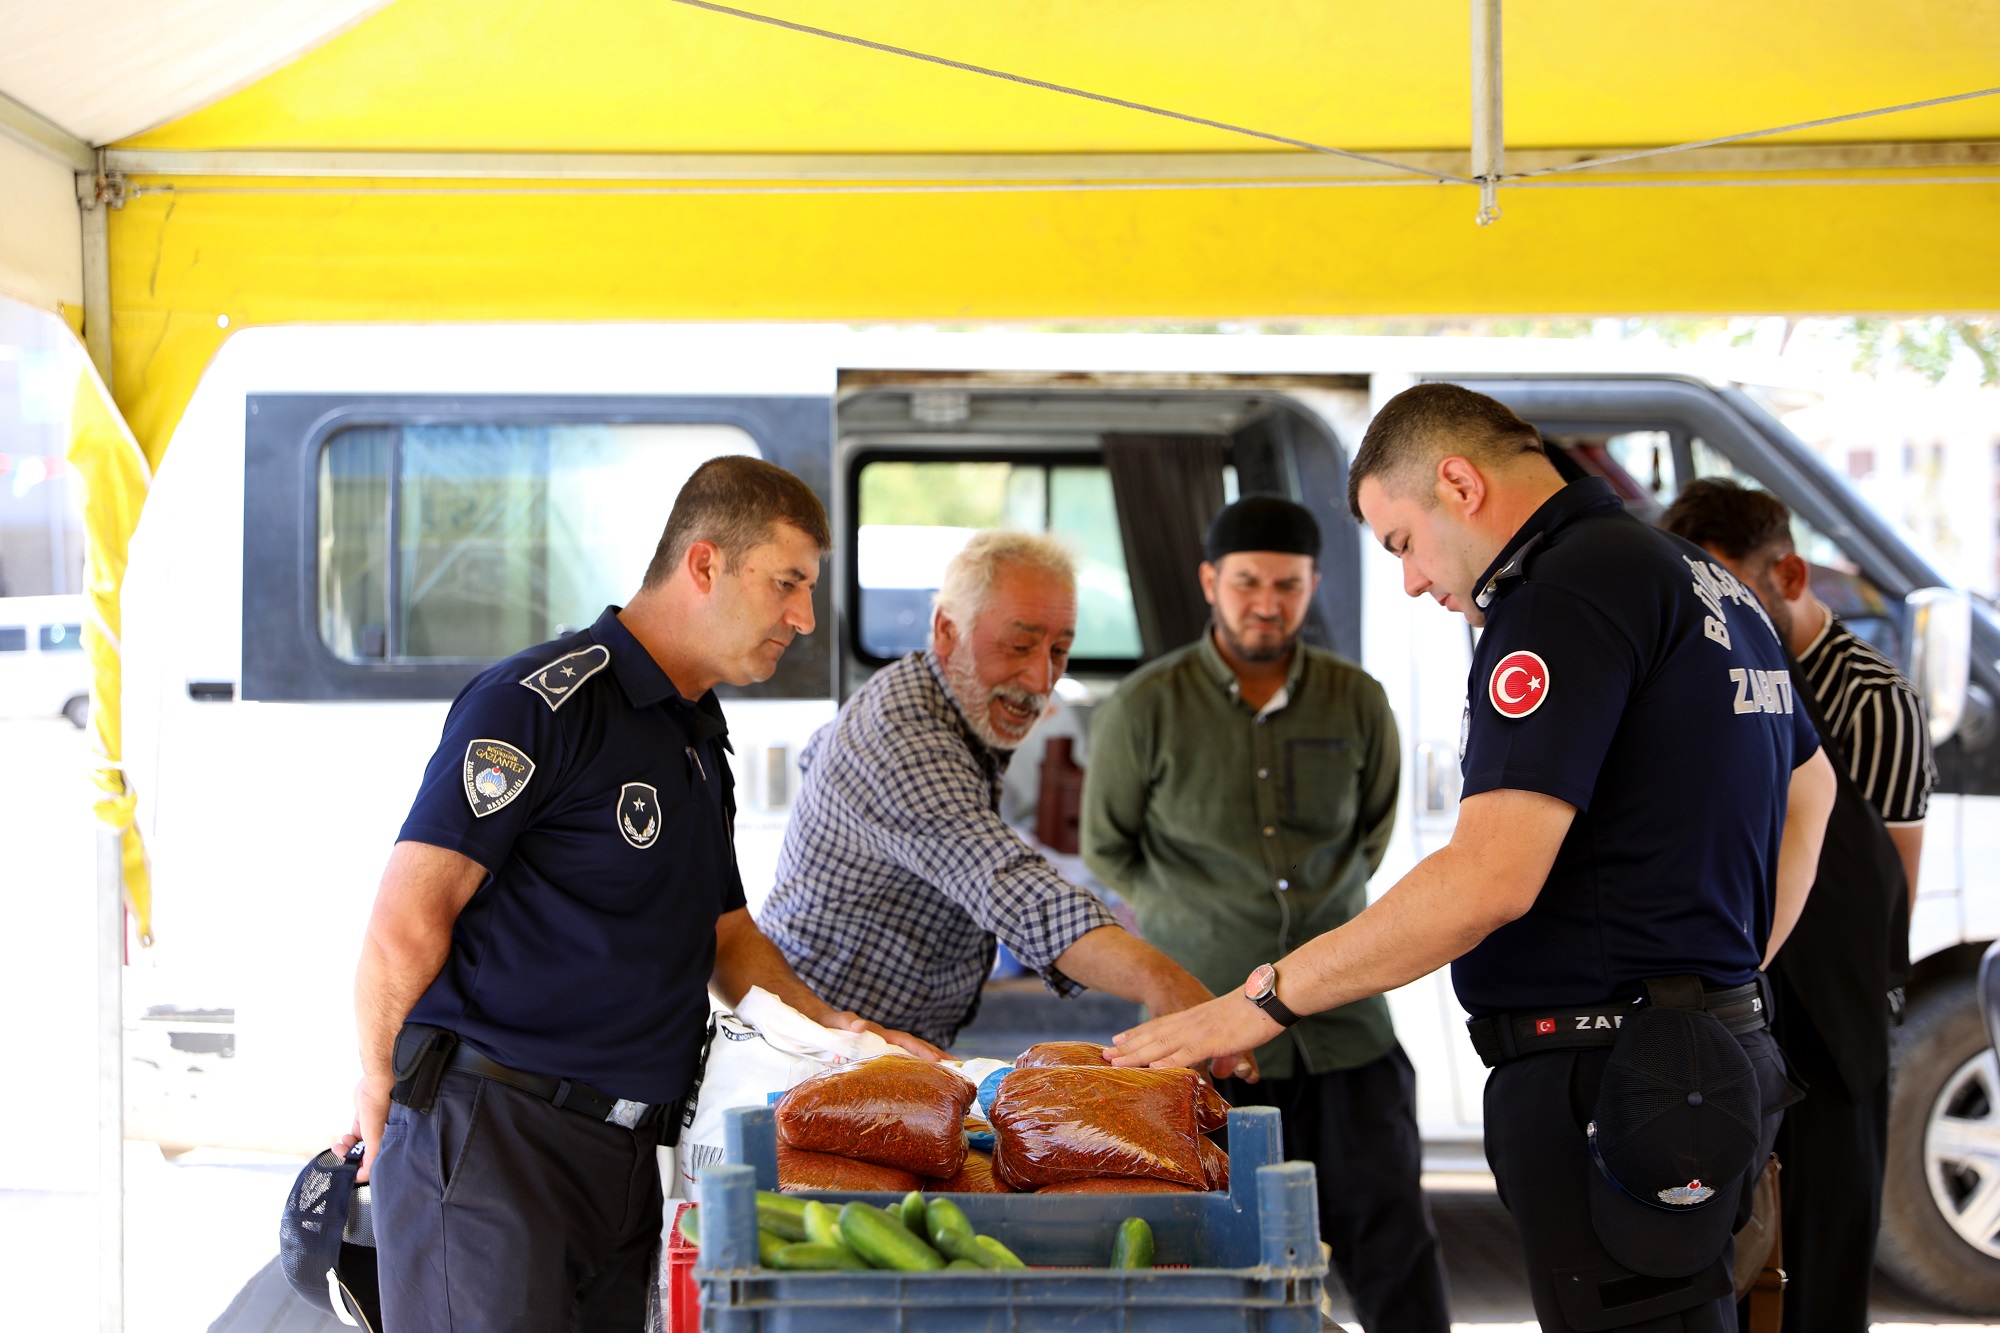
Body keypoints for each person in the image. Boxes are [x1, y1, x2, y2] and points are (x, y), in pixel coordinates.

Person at [1108, 383, 1838, 1333]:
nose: (1411, 581)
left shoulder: (1556, 596)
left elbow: (1488, 877)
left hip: (1616, 1068)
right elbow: (1810, 792)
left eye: (1403, 542)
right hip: (1707, 1054)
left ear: (1458, 483)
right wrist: (1723, 980)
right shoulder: (1699, 575)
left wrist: (1261, 1001)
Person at [340, 456, 940, 1331]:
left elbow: (726, 935)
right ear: (705, 565)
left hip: (621, 1156)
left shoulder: (693, 732)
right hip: (494, 1142)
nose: (804, 618)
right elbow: (405, 920)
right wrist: (379, 1086)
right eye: (786, 583)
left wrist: (833, 1033)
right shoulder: (542, 702)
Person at [1080, 495, 1452, 1333]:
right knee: (1218, 1270)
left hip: (1347, 1038)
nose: (1266, 602)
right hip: (1205, 1048)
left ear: (1312, 585)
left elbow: (1369, 838)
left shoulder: (1357, 700)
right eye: (1247, 581)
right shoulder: (1145, 706)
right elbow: (1109, 850)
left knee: (1395, 1253)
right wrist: (1198, 917)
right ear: (1211, 581)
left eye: (1287, 584)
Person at [757, 529, 1254, 1076]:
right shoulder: (899, 735)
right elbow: (1016, 890)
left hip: (884, 1050)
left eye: (1059, 650)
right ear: (947, 631)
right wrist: (1165, 982)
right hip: (815, 1054)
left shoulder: (953, 708)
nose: (1041, 679)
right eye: (1019, 646)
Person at [1663, 478, 1935, 1333]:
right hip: (1737, 1018)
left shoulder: (1871, 698)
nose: (1716, 614)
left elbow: (1888, 893)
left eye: (1730, 589)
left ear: (1786, 574)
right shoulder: (1712, 672)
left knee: (1817, 1279)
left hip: (1833, 1033)